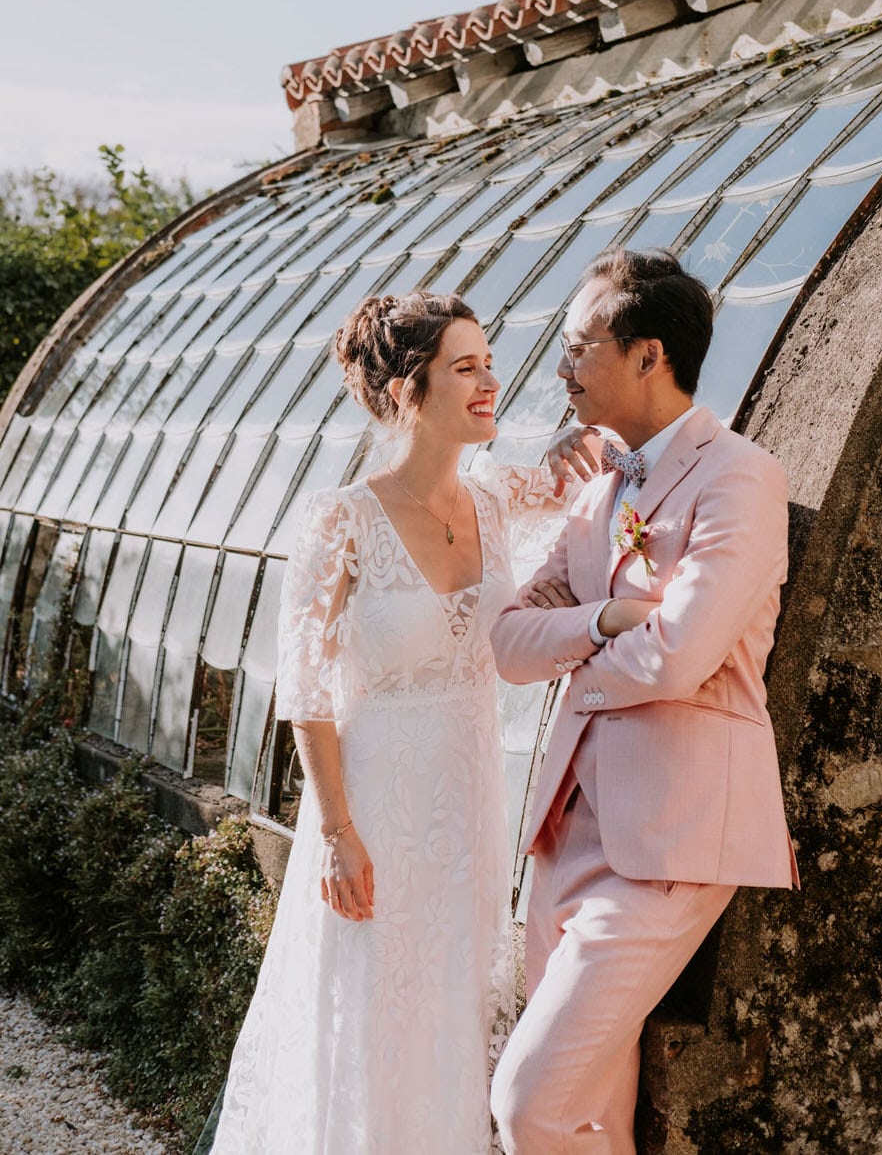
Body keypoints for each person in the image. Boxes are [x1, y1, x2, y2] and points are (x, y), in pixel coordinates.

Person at [209, 290, 597, 1155]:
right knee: (370, 1011)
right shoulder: (338, 520)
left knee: (455, 1004)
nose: (491, 379)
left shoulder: (498, 498)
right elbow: (304, 692)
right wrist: (339, 831)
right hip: (372, 808)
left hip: (468, 804)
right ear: (404, 390)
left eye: (490, 361)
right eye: (466, 367)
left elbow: (581, 484)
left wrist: (578, 447)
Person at [489, 248, 800, 1155]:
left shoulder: (739, 475)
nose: (561, 367)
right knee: (589, 1116)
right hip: (563, 837)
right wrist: (611, 617)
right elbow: (508, 645)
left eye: (579, 345)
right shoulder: (597, 494)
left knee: (528, 1101)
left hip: (671, 837)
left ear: (647, 355)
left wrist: (581, 664)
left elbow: (680, 658)